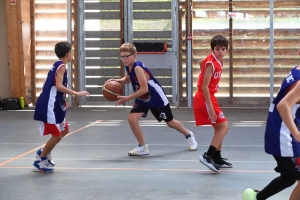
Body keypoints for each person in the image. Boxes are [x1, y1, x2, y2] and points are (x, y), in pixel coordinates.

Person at [106, 42, 197, 156]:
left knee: (170, 122)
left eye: (126, 56)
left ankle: (188, 134)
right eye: (122, 56)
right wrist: (115, 81)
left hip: (155, 96)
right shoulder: (128, 66)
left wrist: (127, 98)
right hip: (143, 97)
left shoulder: (137, 67)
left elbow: (144, 88)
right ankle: (142, 146)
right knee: (132, 119)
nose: (124, 59)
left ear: (134, 55)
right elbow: (128, 79)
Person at [242, 51, 300, 200]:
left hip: (279, 131)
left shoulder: (297, 69)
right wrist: (297, 134)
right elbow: (284, 105)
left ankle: (255, 198)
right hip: (285, 137)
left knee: (288, 177)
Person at [33, 42, 90, 173]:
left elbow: (55, 87)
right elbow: (58, 86)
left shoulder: (57, 64)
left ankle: (44, 150)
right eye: (72, 52)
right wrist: (77, 93)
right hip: (48, 105)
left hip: (55, 103)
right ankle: (41, 160)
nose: (72, 55)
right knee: (57, 135)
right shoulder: (61, 66)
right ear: (67, 54)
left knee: (65, 130)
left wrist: (62, 100)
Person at [194, 35, 232, 173]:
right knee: (224, 127)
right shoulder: (211, 63)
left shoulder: (217, 60)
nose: (220, 51)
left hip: (210, 96)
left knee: (219, 127)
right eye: (217, 49)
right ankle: (208, 155)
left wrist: (203, 66)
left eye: (223, 49)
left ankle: (216, 156)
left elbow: (200, 62)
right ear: (212, 49)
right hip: (204, 97)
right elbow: (204, 87)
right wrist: (209, 107)